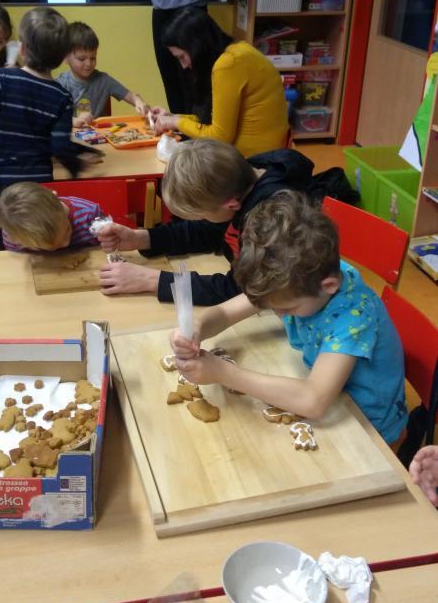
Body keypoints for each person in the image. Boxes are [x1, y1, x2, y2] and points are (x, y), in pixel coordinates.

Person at [170, 191, 408, 447]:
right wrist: (196, 328)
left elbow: (313, 401)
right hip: (333, 397)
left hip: (369, 428)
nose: (278, 314)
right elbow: (226, 313)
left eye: (287, 308)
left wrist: (223, 372)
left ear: (329, 286)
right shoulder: (300, 278)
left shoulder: (353, 317)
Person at [98, 139, 314, 303]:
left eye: (203, 214)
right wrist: (143, 238)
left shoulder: (273, 222)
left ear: (231, 205)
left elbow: (245, 290)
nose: (202, 220)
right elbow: (212, 230)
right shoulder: (238, 180)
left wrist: (153, 281)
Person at [0, 7, 98, 251]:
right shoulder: (62, 97)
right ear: (61, 58)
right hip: (38, 183)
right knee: (39, 241)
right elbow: (59, 146)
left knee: (2, 244)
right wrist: (76, 166)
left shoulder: (1, 78)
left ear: (22, 49)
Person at [151, 7, 289, 156]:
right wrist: (172, 118)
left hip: (256, 161)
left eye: (182, 57)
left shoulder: (228, 64)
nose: (183, 66)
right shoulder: (235, 52)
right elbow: (210, 120)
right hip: (261, 153)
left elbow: (219, 138)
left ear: (197, 46)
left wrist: (176, 122)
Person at [58, 22, 149, 126]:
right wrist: (73, 121)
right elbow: (52, 118)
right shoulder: (60, 84)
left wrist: (138, 101)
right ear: (65, 58)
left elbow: (131, 96)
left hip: (101, 135)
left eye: (93, 58)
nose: (88, 64)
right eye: (82, 59)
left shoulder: (104, 80)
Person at [0, 181, 103, 253]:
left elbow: (107, 247)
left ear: (55, 197)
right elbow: (18, 260)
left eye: (67, 230)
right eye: (51, 247)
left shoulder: (92, 214)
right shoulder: (14, 233)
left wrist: (108, 240)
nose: (65, 244)